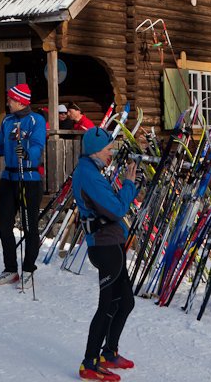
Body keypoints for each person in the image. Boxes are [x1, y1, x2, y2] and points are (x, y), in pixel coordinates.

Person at [72, 127, 138, 382]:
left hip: (111, 243)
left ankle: (108, 352)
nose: (111, 153)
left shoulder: (91, 171)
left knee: (126, 302)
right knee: (107, 306)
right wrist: (129, 185)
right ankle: (89, 363)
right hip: (105, 246)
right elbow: (117, 208)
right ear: (95, 150)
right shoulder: (88, 175)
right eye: (108, 149)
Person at [0, 82, 47, 286]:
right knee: (5, 227)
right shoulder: (7, 120)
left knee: (29, 227)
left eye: (10, 99)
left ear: (19, 101)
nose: (7, 102)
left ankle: (28, 268)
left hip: (28, 179)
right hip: (8, 179)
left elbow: (37, 146)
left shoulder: (36, 120)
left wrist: (27, 153)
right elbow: (1, 147)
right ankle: (10, 269)